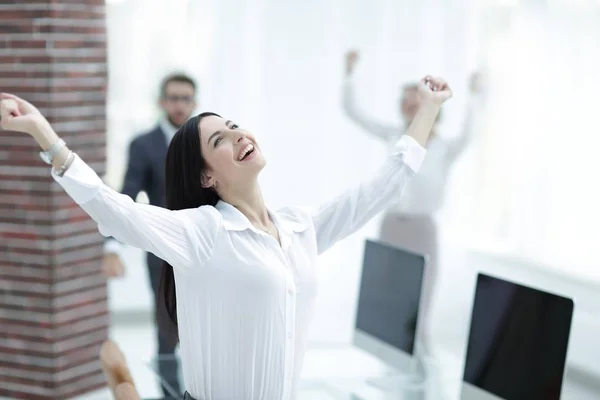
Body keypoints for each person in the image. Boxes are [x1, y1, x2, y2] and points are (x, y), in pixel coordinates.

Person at [0, 74, 451, 400]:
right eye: (219, 139)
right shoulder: (202, 232)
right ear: (207, 177)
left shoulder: (298, 227)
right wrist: (44, 134)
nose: (236, 134)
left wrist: (428, 111)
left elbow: (377, 191)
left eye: (233, 125)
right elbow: (111, 207)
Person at [343, 50, 483, 342]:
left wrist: (474, 94)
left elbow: (471, 133)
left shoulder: (445, 148)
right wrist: (349, 73)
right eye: (405, 98)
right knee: (387, 302)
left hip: (422, 231)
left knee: (419, 307)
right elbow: (353, 112)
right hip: (392, 225)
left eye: (415, 96)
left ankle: (419, 365)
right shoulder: (395, 136)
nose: (408, 102)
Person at [104, 73, 197, 396]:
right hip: (162, 252)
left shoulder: (204, 141)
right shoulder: (144, 145)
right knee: (167, 332)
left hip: (204, 247)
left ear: (194, 102)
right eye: (173, 97)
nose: (179, 104)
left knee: (203, 329)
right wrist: (112, 245)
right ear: (161, 101)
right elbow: (128, 193)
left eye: (186, 98)